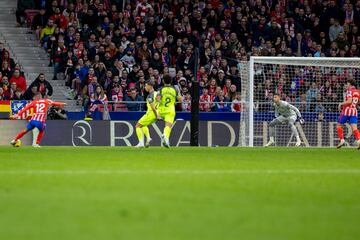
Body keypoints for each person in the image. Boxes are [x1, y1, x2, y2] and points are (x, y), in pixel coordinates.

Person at [157, 75, 182, 148]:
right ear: (171, 81)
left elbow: (158, 100)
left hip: (161, 109)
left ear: (163, 81)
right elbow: (180, 100)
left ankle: (166, 140)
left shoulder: (160, 89)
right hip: (170, 110)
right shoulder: (175, 89)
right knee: (168, 125)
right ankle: (165, 136)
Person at [135, 80, 159, 148]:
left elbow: (153, 107)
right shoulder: (157, 93)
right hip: (155, 114)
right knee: (143, 125)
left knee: (137, 126)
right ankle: (148, 138)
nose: (145, 87)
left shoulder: (150, 96)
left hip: (151, 114)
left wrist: (157, 115)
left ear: (150, 86)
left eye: (146, 85)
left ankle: (141, 143)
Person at [336, 79, 360, 149]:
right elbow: (358, 102)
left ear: (350, 84)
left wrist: (341, 104)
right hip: (354, 111)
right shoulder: (358, 91)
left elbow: (349, 101)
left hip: (347, 110)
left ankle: (342, 140)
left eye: (347, 83)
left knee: (338, 125)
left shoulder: (349, 91)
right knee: (354, 128)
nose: (346, 85)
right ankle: (359, 141)